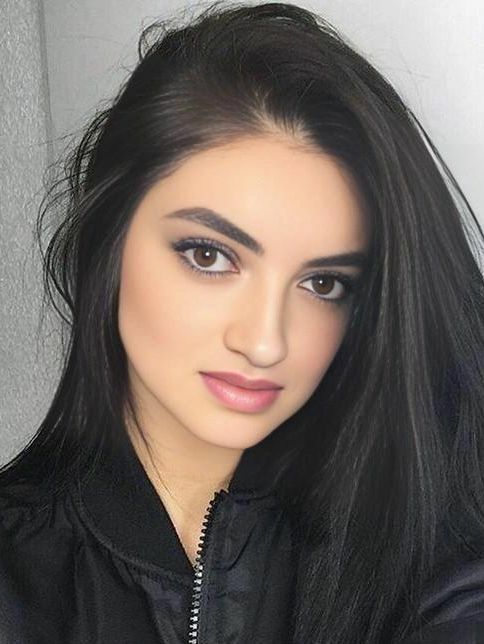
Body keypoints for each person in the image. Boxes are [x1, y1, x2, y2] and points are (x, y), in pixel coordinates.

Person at [1, 1, 484, 642]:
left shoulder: (434, 553)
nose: (263, 342)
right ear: (107, 241)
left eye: (322, 283)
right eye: (209, 256)